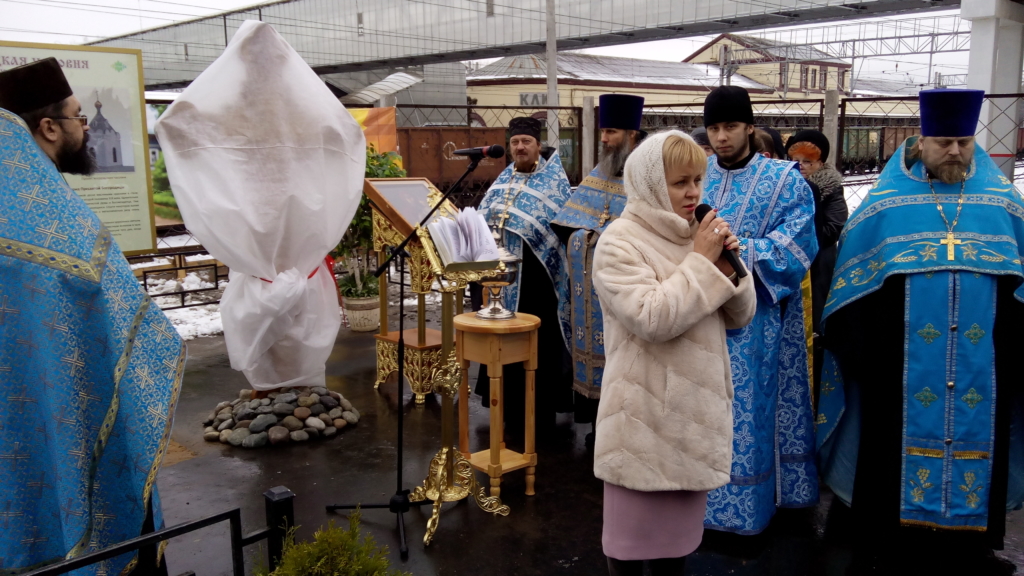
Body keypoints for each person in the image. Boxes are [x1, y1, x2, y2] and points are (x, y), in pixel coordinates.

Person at [817, 89, 1024, 575]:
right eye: (945, 142)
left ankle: (972, 548)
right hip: (899, 367)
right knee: (889, 454)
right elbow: (853, 289)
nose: (955, 152)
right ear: (921, 142)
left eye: (964, 143)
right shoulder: (886, 205)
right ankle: (891, 544)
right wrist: (866, 352)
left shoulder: (1001, 203)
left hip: (983, 366)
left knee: (982, 449)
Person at [0, 58, 182, 575]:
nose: (87, 129)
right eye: (80, 118)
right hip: (64, 411)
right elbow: (131, 327)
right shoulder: (56, 227)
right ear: (49, 126)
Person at [593, 130, 756, 576]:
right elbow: (652, 318)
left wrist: (730, 268)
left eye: (698, 181)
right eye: (680, 182)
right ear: (648, 182)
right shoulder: (619, 241)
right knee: (627, 553)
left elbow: (740, 316)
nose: (693, 193)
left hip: (693, 421)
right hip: (641, 424)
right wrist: (703, 262)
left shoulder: (695, 234)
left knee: (676, 557)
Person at [700, 86, 820, 535]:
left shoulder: (786, 180)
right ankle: (697, 510)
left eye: (731, 126)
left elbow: (798, 244)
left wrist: (735, 250)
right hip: (698, 314)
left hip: (756, 320)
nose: (722, 137)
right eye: (714, 128)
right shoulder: (698, 174)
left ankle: (745, 514)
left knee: (746, 410)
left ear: (750, 126)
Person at [550, 93, 646, 438]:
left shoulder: (648, 177)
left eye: (612, 132)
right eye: (603, 132)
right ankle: (596, 428)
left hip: (626, 290)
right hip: (588, 291)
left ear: (632, 135)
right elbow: (570, 221)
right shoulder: (601, 171)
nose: (604, 139)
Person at [475, 116, 573, 438]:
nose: (520, 147)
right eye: (515, 142)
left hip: (537, 283)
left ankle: (539, 418)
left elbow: (555, 229)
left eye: (526, 142)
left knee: (536, 348)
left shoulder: (554, 182)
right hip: (500, 283)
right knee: (503, 347)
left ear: (538, 146)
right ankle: (508, 412)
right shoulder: (503, 180)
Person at [784, 130, 848, 357]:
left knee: (816, 311)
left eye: (807, 161)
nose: (800, 166)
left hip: (821, 261)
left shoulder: (830, 188)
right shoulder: (785, 186)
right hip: (794, 261)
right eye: (795, 161)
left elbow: (834, 229)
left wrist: (804, 231)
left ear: (820, 163)